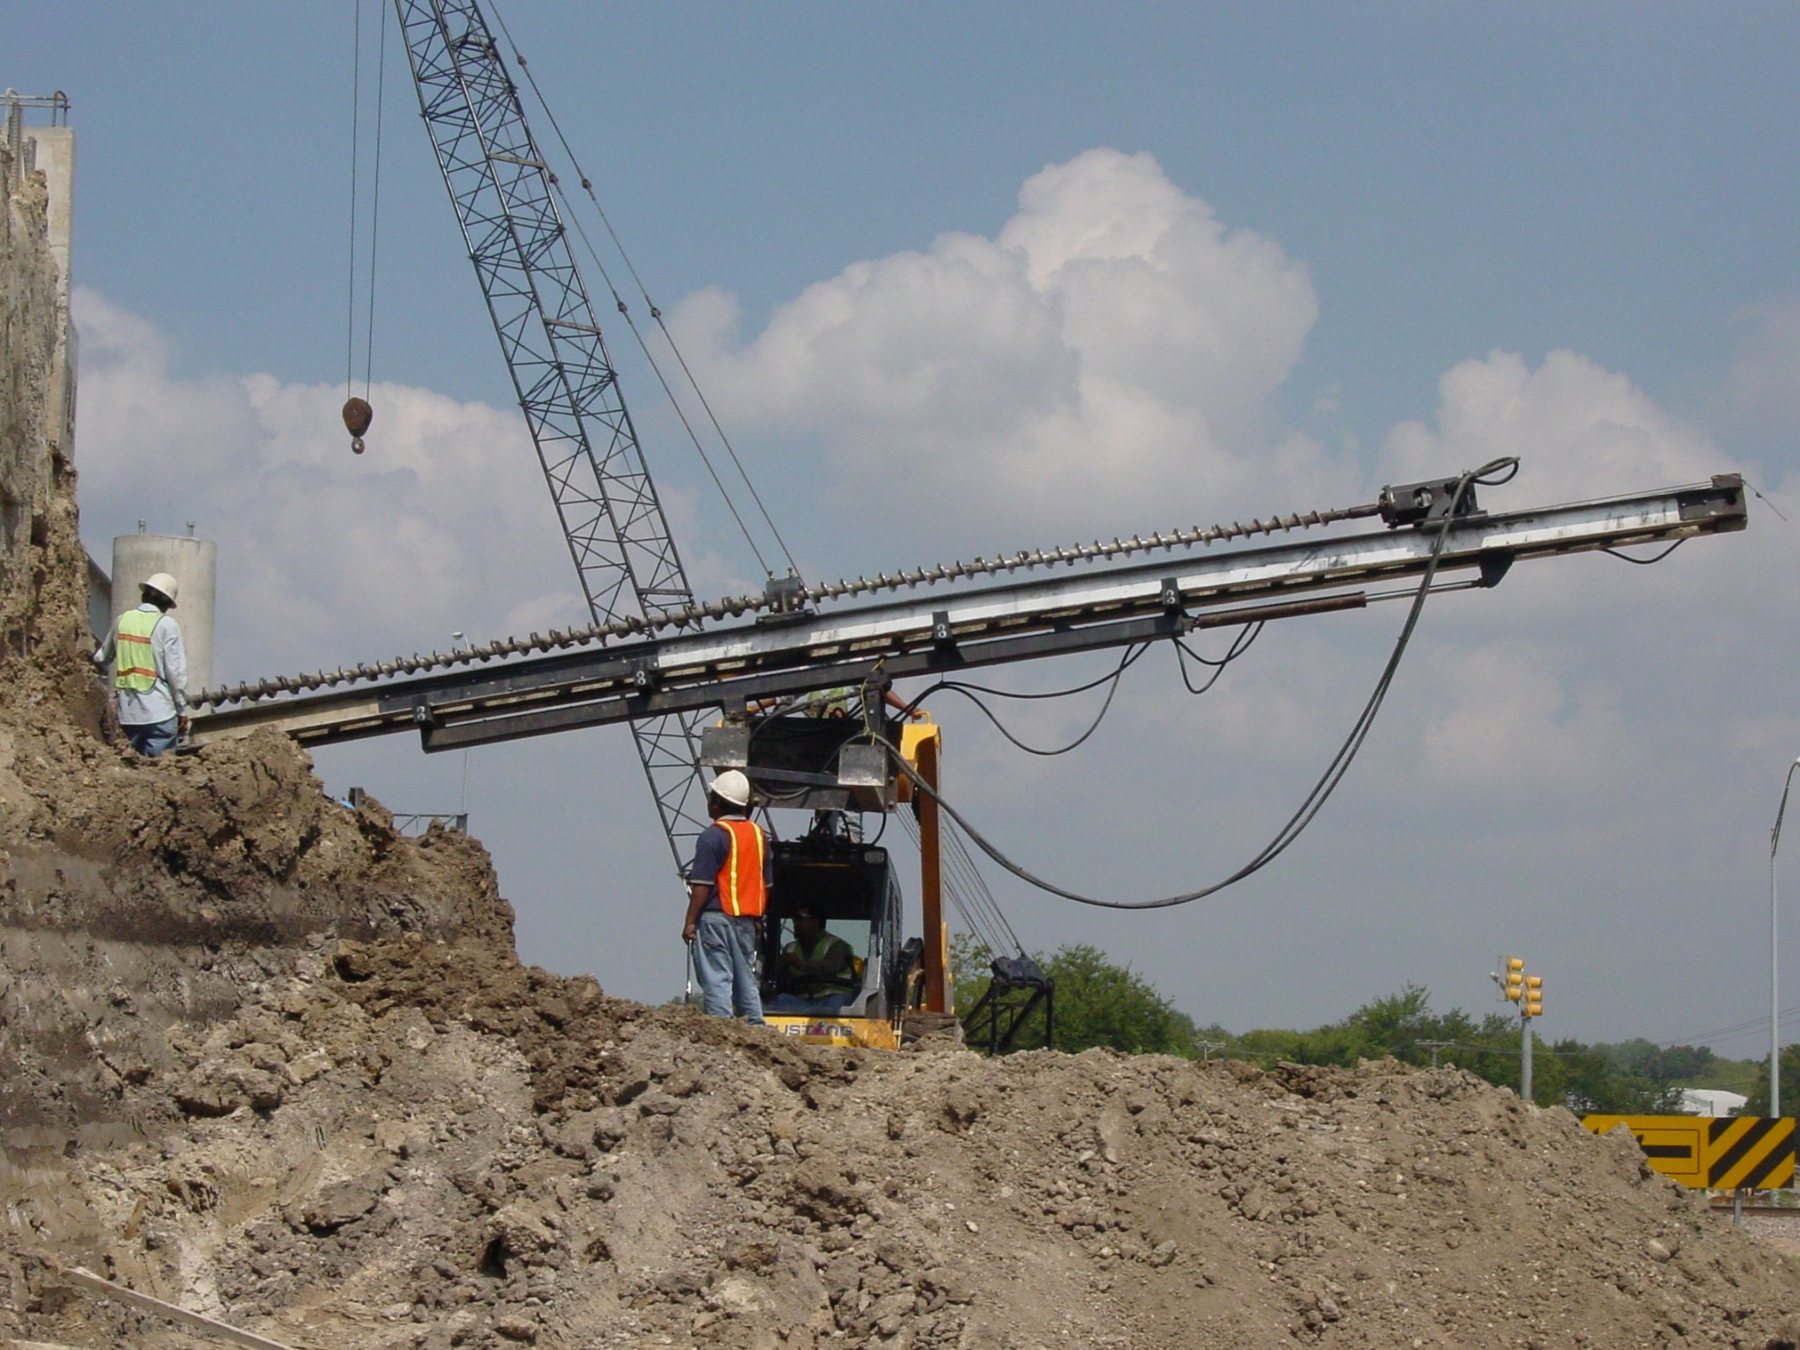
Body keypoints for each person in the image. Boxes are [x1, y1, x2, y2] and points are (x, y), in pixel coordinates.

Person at [682, 769, 770, 1023]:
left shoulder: (713, 835)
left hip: (715, 918)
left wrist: (690, 921)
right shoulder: (759, 836)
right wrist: (758, 917)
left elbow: (702, 885)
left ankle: (721, 1028)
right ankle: (754, 1027)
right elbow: (766, 884)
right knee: (746, 978)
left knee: (716, 977)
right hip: (747, 920)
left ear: (717, 803)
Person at [93, 571, 189, 758]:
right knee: (160, 769)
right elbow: (176, 673)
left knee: (130, 766)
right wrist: (181, 710)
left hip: (127, 714)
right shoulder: (167, 625)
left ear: (144, 595)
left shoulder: (123, 620)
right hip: (160, 713)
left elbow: (102, 658)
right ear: (167, 603)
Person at [767, 906, 858, 1014]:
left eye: (799, 918)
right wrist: (782, 965)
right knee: (781, 1000)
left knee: (837, 1003)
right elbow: (778, 978)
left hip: (831, 999)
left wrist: (800, 964)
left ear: (815, 922)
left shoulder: (837, 946)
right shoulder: (790, 948)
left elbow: (830, 967)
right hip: (802, 1001)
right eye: (794, 919)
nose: (794, 924)